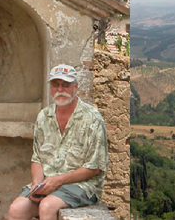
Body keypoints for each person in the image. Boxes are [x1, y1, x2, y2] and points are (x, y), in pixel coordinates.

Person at [7, 64, 108, 220]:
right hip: (47, 184)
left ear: (76, 87)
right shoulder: (44, 117)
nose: (60, 89)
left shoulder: (92, 119)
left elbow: (95, 168)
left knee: (47, 207)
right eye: (55, 84)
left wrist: (58, 180)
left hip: (82, 186)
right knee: (16, 209)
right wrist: (36, 185)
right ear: (50, 87)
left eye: (65, 85)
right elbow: (37, 159)